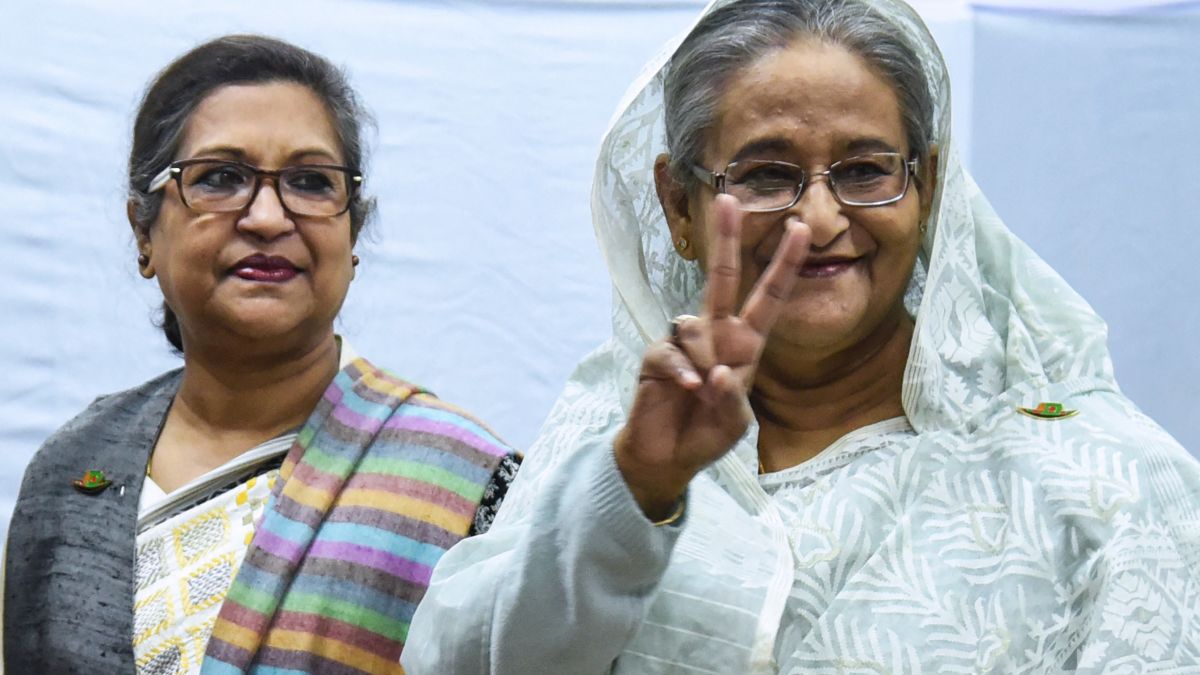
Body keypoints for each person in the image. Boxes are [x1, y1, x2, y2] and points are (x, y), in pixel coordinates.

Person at [402, 0, 1200, 671]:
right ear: (677, 206)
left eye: (864, 170)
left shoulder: (1102, 480)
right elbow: (454, 661)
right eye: (765, 174)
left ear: (925, 187)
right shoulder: (621, 419)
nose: (818, 221)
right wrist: (635, 490)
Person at [3, 35, 520, 674]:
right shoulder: (74, 467)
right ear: (144, 229)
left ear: (353, 233)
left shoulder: (463, 480)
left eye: (310, 182)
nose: (270, 217)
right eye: (221, 178)